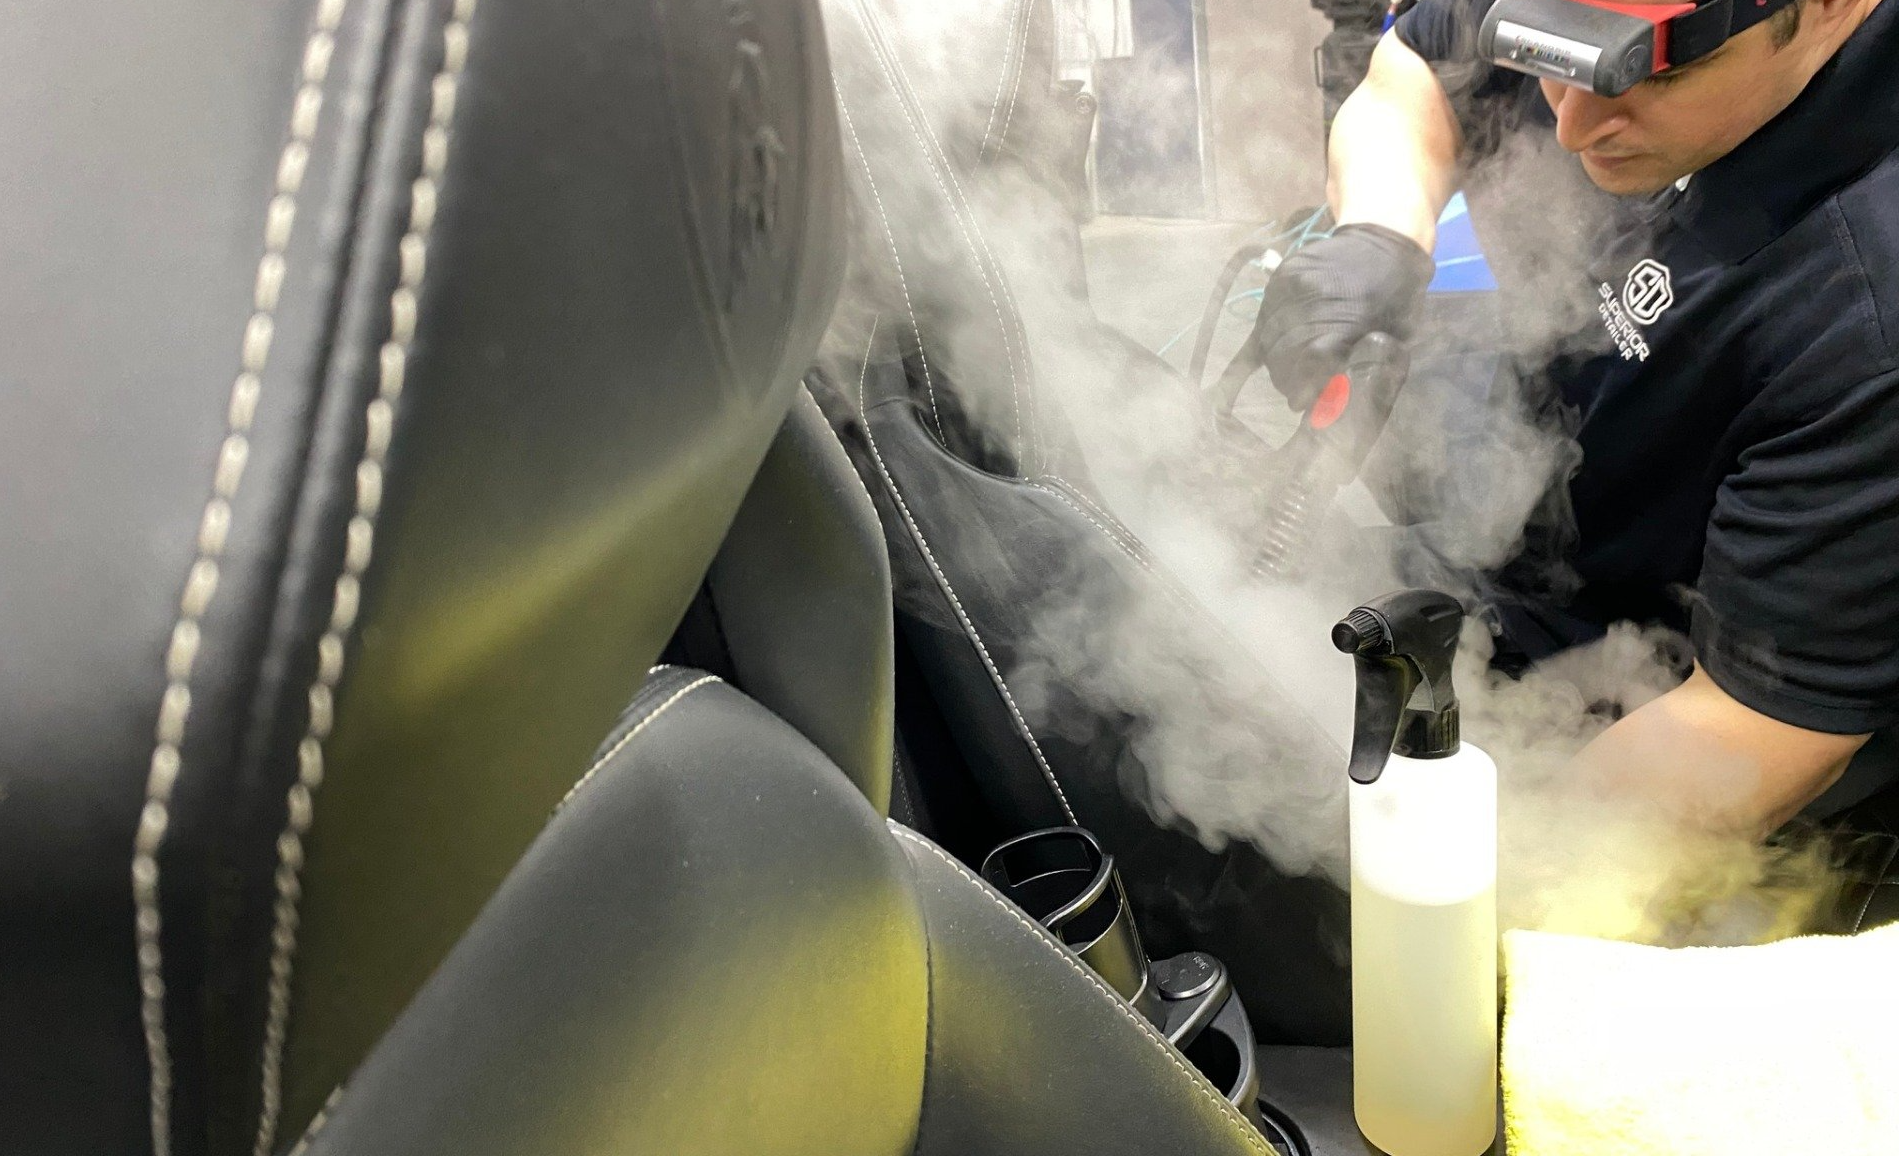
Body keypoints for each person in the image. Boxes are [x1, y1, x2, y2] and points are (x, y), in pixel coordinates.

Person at [1248, 0, 1899, 835]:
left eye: (1643, 71)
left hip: (1687, 670)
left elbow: (1753, 731)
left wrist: (1477, 871)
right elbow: (1411, 72)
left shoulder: (1871, 308)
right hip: (1538, 472)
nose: (1569, 126)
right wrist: (1380, 231)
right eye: (1544, 58)